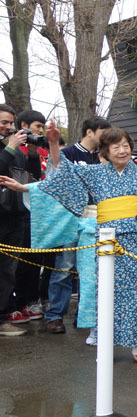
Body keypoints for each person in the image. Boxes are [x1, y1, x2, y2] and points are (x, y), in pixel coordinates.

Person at [3, 123, 137, 364]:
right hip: (107, 236)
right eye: (116, 146)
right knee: (106, 289)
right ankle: (104, 341)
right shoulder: (94, 172)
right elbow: (62, 175)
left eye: (126, 146)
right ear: (105, 152)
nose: (122, 150)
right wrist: (55, 144)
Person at [42, 116, 110, 337]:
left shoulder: (104, 157)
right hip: (72, 217)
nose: (106, 137)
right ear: (89, 132)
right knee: (65, 266)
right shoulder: (70, 153)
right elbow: (55, 174)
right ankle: (55, 315)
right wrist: (53, 143)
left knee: (93, 270)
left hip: (98, 218)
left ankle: (86, 315)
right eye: (103, 131)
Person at [0, 104, 42, 336]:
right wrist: (10, 148)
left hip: (16, 216)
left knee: (8, 270)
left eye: (10, 123)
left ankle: (3, 317)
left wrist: (33, 152)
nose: (7, 127)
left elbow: (32, 176)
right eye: (3, 122)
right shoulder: (8, 149)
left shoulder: (15, 150)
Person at [9, 109, 48, 323]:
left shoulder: (34, 150)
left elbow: (32, 177)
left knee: (33, 260)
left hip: (31, 210)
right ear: (23, 124)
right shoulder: (10, 145)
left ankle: (30, 302)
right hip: (11, 211)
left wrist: (33, 151)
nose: (40, 131)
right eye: (37, 127)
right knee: (16, 263)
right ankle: (14, 304)